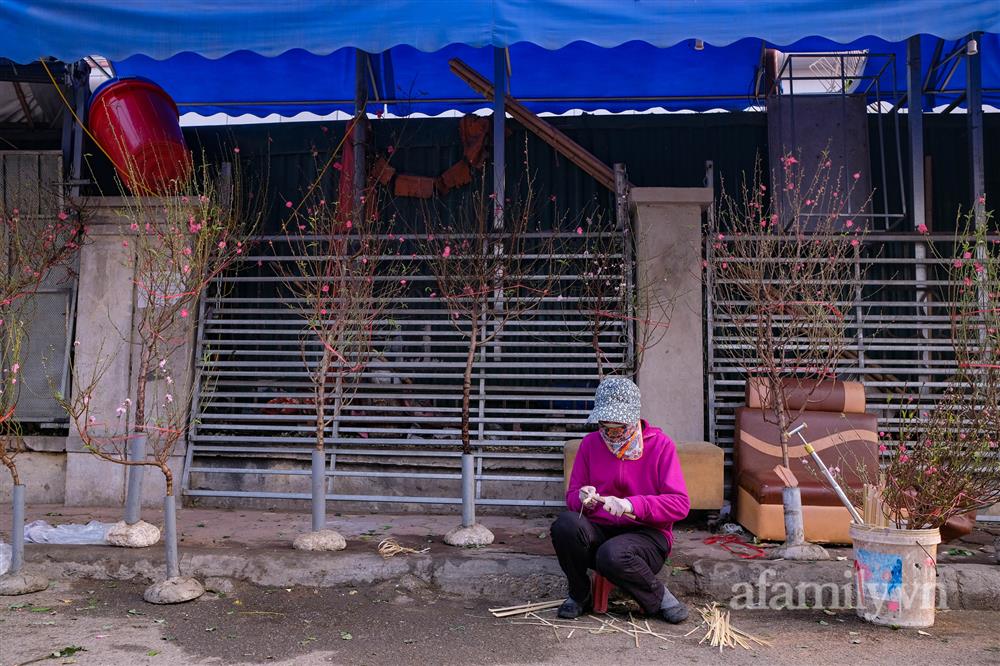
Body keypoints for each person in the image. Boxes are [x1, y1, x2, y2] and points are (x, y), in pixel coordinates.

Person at [551, 377, 691, 623]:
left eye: (620, 427)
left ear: (634, 419)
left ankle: (659, 598)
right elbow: (572, 497)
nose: (612, 434)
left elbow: (680, 504)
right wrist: (583, 498)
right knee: (565, 525)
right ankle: (579, 594)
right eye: (605, 427)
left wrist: (631, 505)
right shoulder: (590, 445)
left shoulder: (661, 446)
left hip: (646, 536)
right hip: (600, 530)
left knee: (612, 554)